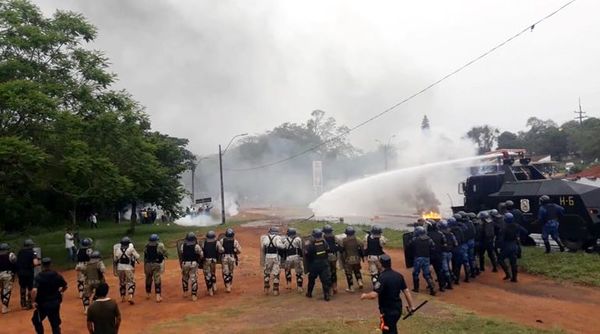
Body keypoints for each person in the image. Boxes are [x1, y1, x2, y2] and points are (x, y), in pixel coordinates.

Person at [360, 254, 416, 334]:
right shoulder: (398, 276)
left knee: (388, 330)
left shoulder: (382, 278)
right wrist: (411, 306)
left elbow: (374, 295)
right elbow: (406, 291)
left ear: (381, 264)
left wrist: (365, 296)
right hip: (397, 309)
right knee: (391, 328)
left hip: (388, 311)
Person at [31, 257, 68, 334]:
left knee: (36, 320)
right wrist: (61, 291)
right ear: (51, 264)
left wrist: (33, 301)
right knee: (55, 324)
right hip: (55, 302)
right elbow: (65, 286)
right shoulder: (57, 275)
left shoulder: (39, 277)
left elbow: (34, 290)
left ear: (42, 266)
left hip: (42, 304)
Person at [498, 213, 527, 282]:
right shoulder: (517, 226)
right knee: (513, 262)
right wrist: (518, 236)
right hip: (515, 245)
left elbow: (500, 239)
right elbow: (525, 231)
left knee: (500, 259)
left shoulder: (504, 228)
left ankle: (508, 274)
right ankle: (514, 278)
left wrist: (499, 247)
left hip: (507, 245)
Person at [408, 226, 436, 296]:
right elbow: (433, 248)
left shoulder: (415, 240)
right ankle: (432, 288)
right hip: (426, 258)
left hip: (418, 258)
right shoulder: (429, 239)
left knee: (415, 273)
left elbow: (408, 246)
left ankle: (416, 288)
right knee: (427, 274)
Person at [305, 228, 332, 301]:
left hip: (314, 265)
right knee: (325, 280)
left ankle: (309, 293)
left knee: (311, 279)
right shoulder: (324, 242)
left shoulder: (311, 244)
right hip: (324, 264)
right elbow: (328, 251)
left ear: (313, 235)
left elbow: (307, 254)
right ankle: (327, 296)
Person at [113, 237, 139, 304]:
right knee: (131, 282)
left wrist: (115, 269)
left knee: (122, 282)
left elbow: (115, 260)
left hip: (120, 267)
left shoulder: (117, 249)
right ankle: (130, 296)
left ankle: (122, 297)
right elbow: (137, 256)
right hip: (128, 267)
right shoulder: (130, 248)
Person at [16, 239, 39, 310]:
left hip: (20, 272)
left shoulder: (20, 252)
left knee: (22, 287)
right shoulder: (33, 252)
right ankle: (29, 303)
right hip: (29, 272)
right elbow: (35, 263)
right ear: (30, 245)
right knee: (30, 287)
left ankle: (23, 304)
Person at [217, 228, 242, 293]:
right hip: (232, 257)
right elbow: (239, 251)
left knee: (225, 272)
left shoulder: (222, 240)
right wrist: (235, 251)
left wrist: (222, 250)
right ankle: (229, 284)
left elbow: (219, 250)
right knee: (231, 272)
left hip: (224, 258)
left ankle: (227, 286)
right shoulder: (235, 241)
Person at [261, 226, 284, 296]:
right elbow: (280, 246)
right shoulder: (278, 238)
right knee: (276, 273)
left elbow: (263, 247)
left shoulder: (265, 238)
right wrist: (284, 245)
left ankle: (266, 289)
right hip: (275, 256)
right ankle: (275, 290)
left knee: (267, 272)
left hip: (267, 256)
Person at [144, 234, 167, 302]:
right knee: (157, 279)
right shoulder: (160, 245)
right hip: (156, 264)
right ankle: (158, 296)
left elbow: (145, 255)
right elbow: (165, 252)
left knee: (148, 278)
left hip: (148, 264)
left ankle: (148, 294)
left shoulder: (146, 246)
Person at [180, 232, 203, 301]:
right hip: (193, 264)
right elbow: (201, 254)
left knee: (185, 277)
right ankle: (193, 295)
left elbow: (181, 253)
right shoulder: (196, 246)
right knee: (193, 278)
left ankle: (185, 292)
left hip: (184, 264)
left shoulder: (182, 245)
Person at [340, 226, 364, 292]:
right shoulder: (357, 239)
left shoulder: (344, 240)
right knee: (357, 270)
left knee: (349, 273)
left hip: (348, 260)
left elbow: (341, 249)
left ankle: (351, 287)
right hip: (357, 259)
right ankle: (360, 281)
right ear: (353, 233)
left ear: (346, 233)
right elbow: (362, 245)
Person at [426, 222, 448, 292]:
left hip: (429, 256)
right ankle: (442, 286)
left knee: (427, 271)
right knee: (439, 271)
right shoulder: (441, 234)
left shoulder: (426, 235)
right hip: (438, 255)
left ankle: (431, 285)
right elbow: (445, 244)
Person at [281, 228, 303, 292]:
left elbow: (283, 249)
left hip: (288, 258)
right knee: (299, 272)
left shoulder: (285, 240)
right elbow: (300, 248)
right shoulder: (298, 239)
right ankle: (299, 287)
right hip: (297, 257)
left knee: (287, 271)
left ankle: (289, 284)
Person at [323, 224, 340, 295]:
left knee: (327, 273)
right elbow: (338, 244)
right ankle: (335, 287)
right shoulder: (334, 237)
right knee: (333, 271)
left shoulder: (322, 238)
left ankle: (329, 289)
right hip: (333, 256)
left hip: (325, 257)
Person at [439, 220, 457, 290]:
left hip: (443, 253)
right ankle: (452, 277)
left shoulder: (441, 234)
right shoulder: (451, 234)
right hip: (450, 253)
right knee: (448, 267)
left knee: (445, 269)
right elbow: (456, 244)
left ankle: (449, 284)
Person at [0, 242, 17, 314]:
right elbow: (15, 264)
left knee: (1, 290)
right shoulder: (11, 255)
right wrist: (14, 273)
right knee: (6, 290)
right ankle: (4, 307)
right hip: (7, 274)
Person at [201, 231, 219, 296]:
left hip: (206, 261)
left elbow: (202, 252)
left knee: (207, 275)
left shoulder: (204, 243)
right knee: (213, 273)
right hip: (213, 260)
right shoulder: (217, 242)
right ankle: (215, 286)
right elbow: (221, 250)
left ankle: (210, 291)